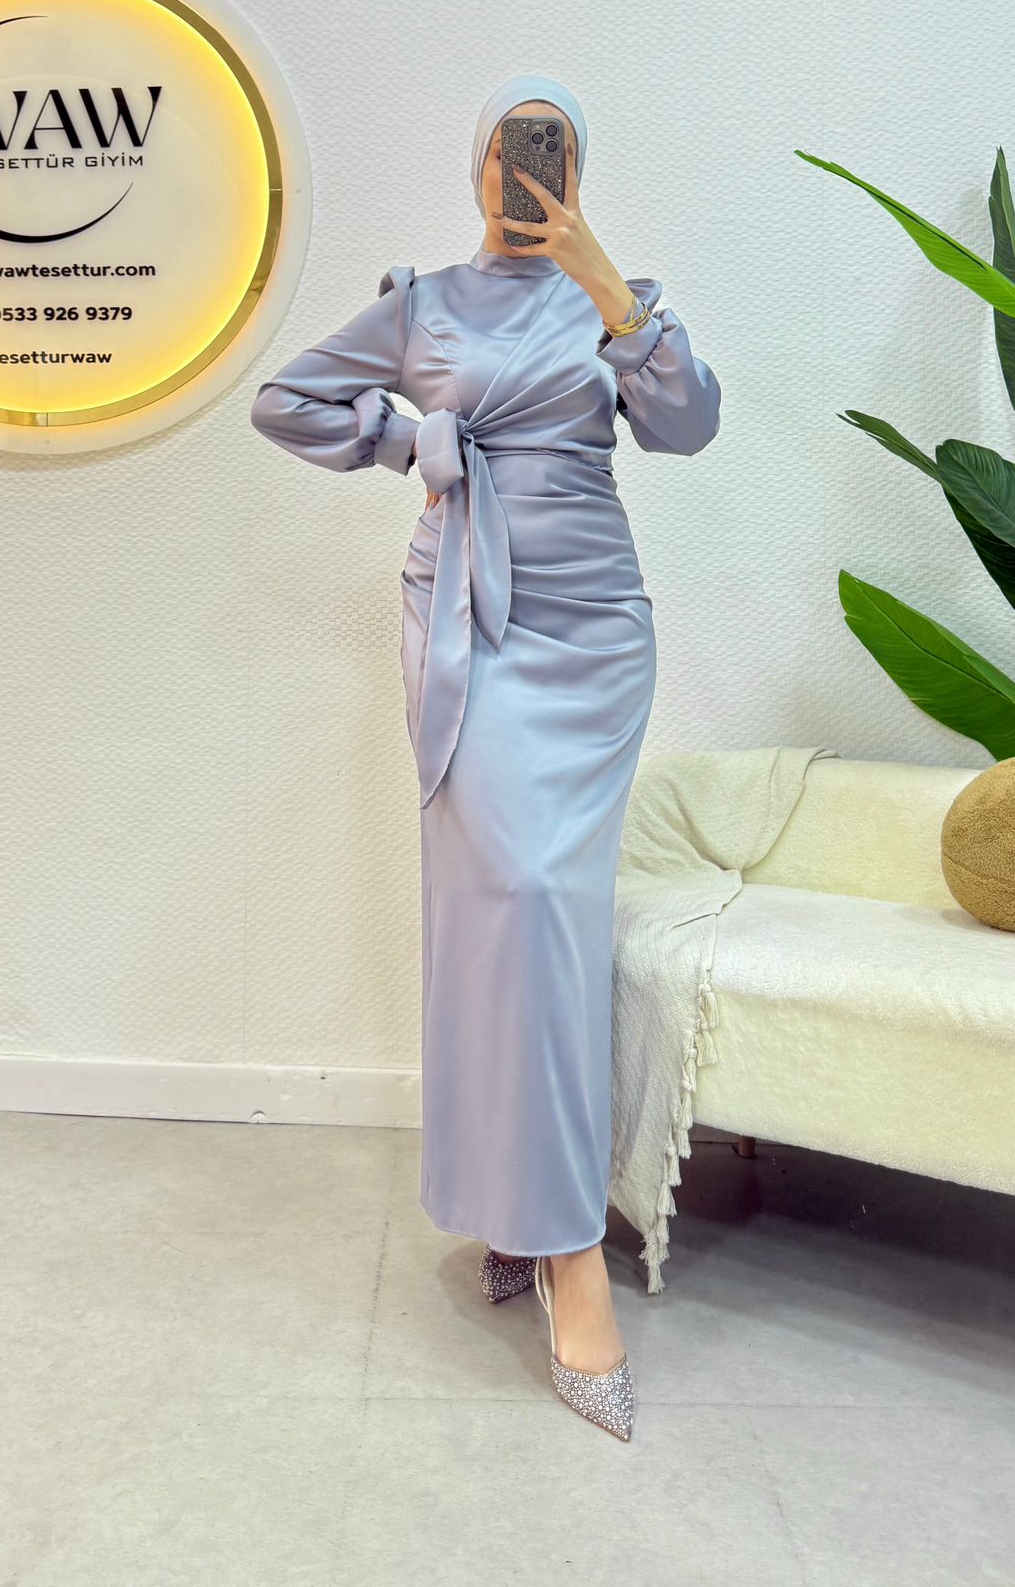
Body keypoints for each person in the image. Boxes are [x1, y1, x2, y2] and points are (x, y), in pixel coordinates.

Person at [250, 74, 722, 1439]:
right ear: (477, 171)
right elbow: (286, 401)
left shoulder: (614, 300)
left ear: (576, 172)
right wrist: (412, 436)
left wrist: (607, 285)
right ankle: (567, 1250)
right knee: (502, 907)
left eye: (554, 156)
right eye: (514, 157)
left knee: (546, 919)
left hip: (594, 638)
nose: (529, 178)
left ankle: (531, 1218)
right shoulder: (423, 305)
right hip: (464, 626)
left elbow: (689, 425)